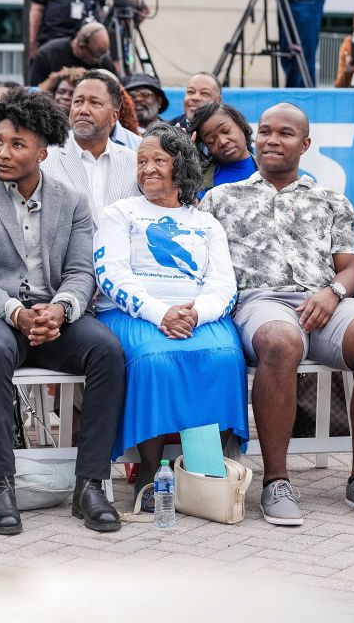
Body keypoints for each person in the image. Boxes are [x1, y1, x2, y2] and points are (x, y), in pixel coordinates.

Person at [200, 103, 354, 523]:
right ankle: (276, 480)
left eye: (286, 133)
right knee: (281, 341)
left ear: (305, 144)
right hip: (259, 301)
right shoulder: (219, 199)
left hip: (324, 301)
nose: (273, 139)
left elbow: (352, 269)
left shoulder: (330, 200)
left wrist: (332, 293)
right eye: (266, 132)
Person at [0, 88, 125, 534]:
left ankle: (91, 484)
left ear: (43, 152)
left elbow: (82, 271)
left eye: (16, 144)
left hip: (53, 317)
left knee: (107, 351)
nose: (2, 152)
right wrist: (15, 311)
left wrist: (62, 310)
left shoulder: (72, 200)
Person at [95, 122, 247, 509]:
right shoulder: (120, 213)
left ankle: (204, 468)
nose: (146, 169)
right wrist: (160, 313)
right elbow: (111, 274)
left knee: (224, 357)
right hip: (135, 314)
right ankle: (151, 470)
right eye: (141, 161)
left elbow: (224, 285)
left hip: (198, 316)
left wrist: (196, 314)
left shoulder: (205, 222)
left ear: (180, 166)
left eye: (158, 160)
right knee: (155, 361)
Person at [42, 70, 139, 223]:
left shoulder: (134, 163)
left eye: (95, 103)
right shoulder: (45, 160)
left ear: (114, 117)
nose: (83, 110)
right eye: (78, 102)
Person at [189, 101, 258, 198]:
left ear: (241, 125)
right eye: (211, 141)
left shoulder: (269, 170)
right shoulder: (198, 182)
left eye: (226, 131)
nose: (222, 142)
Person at [26, 22, 113, 86]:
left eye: (104, 55)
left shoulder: (103, 59)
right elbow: (36, 92)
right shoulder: (48, 54)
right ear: (81, 46)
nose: (101, 60)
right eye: (97, 57)